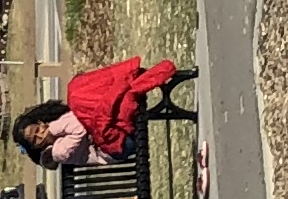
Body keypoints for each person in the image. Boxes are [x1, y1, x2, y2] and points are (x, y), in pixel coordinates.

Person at [11, 58, 196, 168]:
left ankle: (122, 85)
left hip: (112, 131)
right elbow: (80, 129)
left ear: (41, 122)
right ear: (35, 147)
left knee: (76, 91)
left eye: (37, 128)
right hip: (118, 147)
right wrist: (54, 127)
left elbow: (84, 119)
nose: (40, 134)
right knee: (94, 104)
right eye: (35, 139)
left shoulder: (55, 126)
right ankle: (124, 86)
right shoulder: (58, 153)